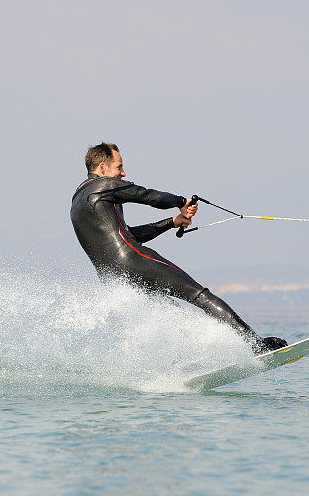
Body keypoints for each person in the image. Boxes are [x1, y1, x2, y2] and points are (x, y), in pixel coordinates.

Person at [70, 142, 287, 354]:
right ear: (102, 168)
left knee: (170, 314)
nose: (123, 173)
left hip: (114, 279)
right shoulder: (103, 185)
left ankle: (181, 362)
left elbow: (128, 234)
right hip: (132, 258)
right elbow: (146, 195)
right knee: (199, 295)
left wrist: (173, 221)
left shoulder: (78, 201)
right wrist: (181, 201)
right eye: (119, 166)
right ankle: (255, 344)